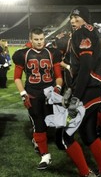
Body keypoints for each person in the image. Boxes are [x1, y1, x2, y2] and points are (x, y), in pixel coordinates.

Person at [60, 6, 101, 177]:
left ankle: (86, 173)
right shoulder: (93, 31)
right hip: (95, 90)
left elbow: (85, 67)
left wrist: (75, 97)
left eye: (77, 18)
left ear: (85, 19)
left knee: (63, 136)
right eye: (72, 18)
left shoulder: (82, 32)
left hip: (86, 91)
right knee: (88, 134)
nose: (73, 21)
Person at [12, 27, 63, 169]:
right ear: (30, 40)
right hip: (32, 93)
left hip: (48, 92)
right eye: (36, 39)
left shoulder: (52, 53)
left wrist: (57, 88)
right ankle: (45, 156)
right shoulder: (23, 54)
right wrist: (23, 94)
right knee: (38, 122)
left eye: (41, 39)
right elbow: (17, 78)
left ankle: (38, 139)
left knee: (49, 121)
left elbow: (58, 77)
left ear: (44, 39)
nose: (39, 42)